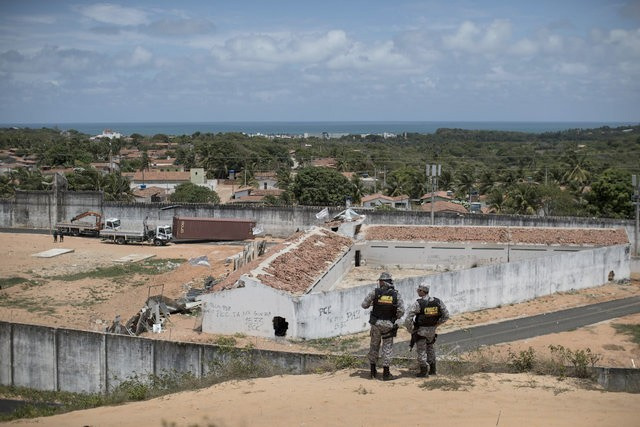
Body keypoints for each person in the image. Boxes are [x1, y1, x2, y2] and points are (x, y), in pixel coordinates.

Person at [361, 271, 404, 380]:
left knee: (374, 346)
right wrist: (394, 318)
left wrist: (374, 303)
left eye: (380, 281)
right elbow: (401, 311)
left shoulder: (375, 293)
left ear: (382, 282)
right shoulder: (396, 295)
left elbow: (364, 305)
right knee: (387, 348)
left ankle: (372, 371)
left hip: (376, 324)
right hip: (388, 325)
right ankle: (386, 373)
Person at [404, 282, 449, 377]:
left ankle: (423, 371)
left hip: (421, 330)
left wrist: (411, 329)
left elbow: (408, 318)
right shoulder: (437, 301)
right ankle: (433, 370)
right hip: (432, 330)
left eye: (418, 290)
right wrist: (437, 324)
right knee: (430, 348)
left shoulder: (418, 303)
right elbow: (446, 315)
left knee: (421, 350)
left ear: (422, 291)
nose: (417, 291)